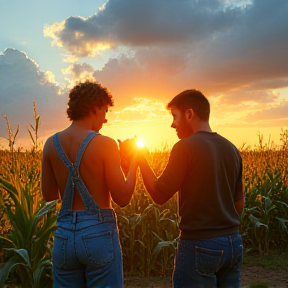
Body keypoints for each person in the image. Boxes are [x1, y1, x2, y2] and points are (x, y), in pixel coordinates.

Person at [136, 89, 245, 288]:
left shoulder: (185, 147)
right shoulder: (231, 148)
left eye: (175, 116)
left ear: (189, 114)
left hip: (199, 245)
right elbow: (239, 203)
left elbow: (160, 194)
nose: (172, 124)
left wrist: (140, 159)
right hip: (233, 244)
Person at [41, 80, 138, 288]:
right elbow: (122, 198)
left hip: (64, 236)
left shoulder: (51, 143)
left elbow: (49, 195)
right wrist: (134, 164)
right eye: (104, 111)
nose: (105, 119)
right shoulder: (105, 144)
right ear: (94, 108)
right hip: (98, 235)